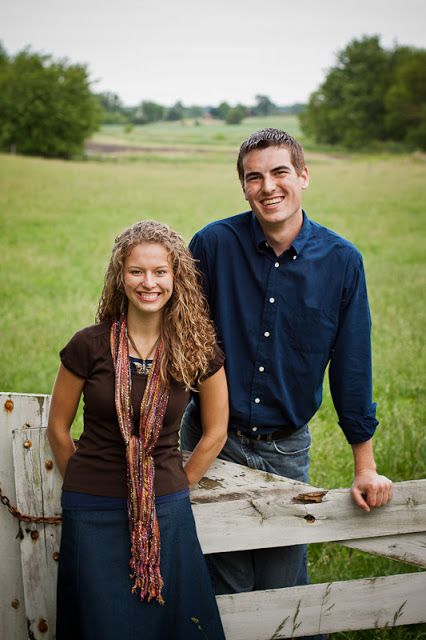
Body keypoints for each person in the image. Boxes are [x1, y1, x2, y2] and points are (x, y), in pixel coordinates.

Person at [181, 128, 393, 602]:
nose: (268, 187)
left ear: (303, 175)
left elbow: (352, 365)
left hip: (286, 450)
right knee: (224, 585)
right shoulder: (213, 245)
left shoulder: (342, 262)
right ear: (243, 186)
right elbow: (181, 342)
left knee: (283, 588)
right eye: (253, 177)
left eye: (279, 172)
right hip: (212, 441)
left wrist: (366, 466)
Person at [47, 220, 228, 640]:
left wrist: (176, 483)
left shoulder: (196, 349)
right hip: (92, 509)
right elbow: (58, 428)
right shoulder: (87, 346)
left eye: (160, 272)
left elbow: (216, 430)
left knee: (172, 624)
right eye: (137, 271)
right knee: (99, 622)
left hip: (166, 509)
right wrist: (89, 478)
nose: (149, 282)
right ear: (120, 277)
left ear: (175, 278)